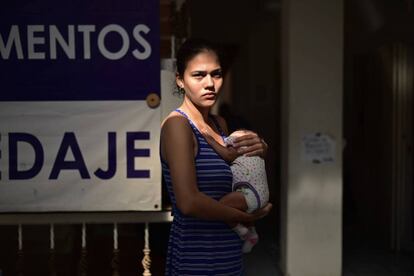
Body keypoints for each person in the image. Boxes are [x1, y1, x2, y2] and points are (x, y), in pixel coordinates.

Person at [160, 38, 272, 275]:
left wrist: (259, 149)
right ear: (180, 79)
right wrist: (245, 215)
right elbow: (189, 203)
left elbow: (239, 174)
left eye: (216, 74)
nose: (210, 83)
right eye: (199, 75)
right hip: (195, 259)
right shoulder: (177, 126)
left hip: (228, 255)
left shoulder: (220, 124)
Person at [201, 129, 269, 253]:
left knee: (222, 207)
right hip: (259, 193)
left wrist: (210, 140)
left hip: (250, 193)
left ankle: (243, 232)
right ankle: (253, 232)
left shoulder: (238, 146)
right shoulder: (256, 150)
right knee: (239, 206)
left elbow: (227, 155)